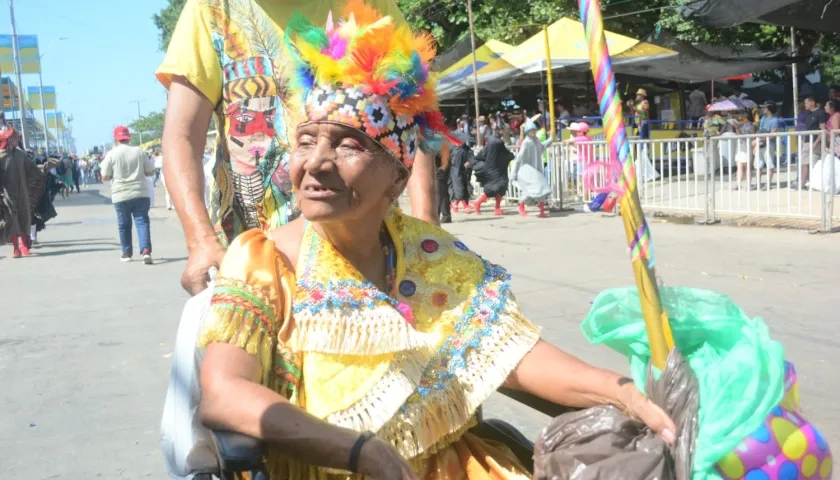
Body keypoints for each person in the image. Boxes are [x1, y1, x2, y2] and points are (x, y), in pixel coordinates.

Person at [196, 7, 675, 480]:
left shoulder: (434, 255)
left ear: (397, 178)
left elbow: (511, 356)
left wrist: (623, 391)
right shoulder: (263, 259)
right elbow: (224, 392)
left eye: (348, 146)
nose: (317, 163)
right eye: (306, 142)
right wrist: (361, 452)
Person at [156, 0, 438, 297]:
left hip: (365, 256)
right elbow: (181, 135)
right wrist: (201, 241)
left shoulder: (368, 5)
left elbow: (413, 113)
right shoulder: (212, 9)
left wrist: (426, 223)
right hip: (254, 264)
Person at [100, 126, 156, 264]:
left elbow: (105, 176)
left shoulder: (111, 154)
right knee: (142, 222)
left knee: (124, 225)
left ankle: (127, 253)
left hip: (120, 195)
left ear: (115, 139)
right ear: (128, 137)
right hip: (140, 193)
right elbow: (150, 172)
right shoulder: (139, 152)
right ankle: (145, 251)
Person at [0, 126, 32, 257]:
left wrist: (44, 169)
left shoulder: (21, 155)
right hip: (7, 193)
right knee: (12, 219)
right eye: (13, 139)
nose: (16, 141)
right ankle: (15, 248)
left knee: (25, 218)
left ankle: (24, 246)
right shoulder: (1, 157)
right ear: (7, 140)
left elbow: (31, 170)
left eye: (16, 139)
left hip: (23, 193)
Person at [511, 119, 553, 217]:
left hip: (537, 169)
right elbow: (519, 158)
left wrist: (551, 138)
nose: (533, 132)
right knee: (530, 190)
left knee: (542, 188)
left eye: (534, 130)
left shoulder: (536, 140)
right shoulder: (526, 143)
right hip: (527, 170)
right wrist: (514, 172)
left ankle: (542, 211)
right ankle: (521, 207)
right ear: (527, 132)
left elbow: (542, 147)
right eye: (531, 131)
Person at [470, 125, 515, 215]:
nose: (505, 131)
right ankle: (477, 203)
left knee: (500, 188)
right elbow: (506, 154)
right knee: (495, 188)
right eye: (503, 130)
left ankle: (497, 208)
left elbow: (483, 152)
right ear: (499, 131)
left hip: (493, 168)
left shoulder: (491, 140)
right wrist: (511, 156)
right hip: (495, 170)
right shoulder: (498, 142)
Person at [790, 96, 827, 190]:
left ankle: (815, 184)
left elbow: (823, 129)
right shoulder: (808, 114)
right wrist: (803, 140)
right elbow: (807, 128)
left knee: (814, 164)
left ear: (812, 102)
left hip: (815, 142)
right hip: (806, 141)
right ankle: (802, 183)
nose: (805, 105)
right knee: (804, 163)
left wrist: (816, 143)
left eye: (806, 103)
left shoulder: (820, 113)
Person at [752, 102, 781, 189]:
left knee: (769, 163)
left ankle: (768, 184)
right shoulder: (763, 118)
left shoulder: (774, 120)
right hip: (760, 143)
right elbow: (759, 132)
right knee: (758, 164)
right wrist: (756, 144)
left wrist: (760, 139)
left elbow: (772, 134)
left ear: (769, 109)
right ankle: (758, 183)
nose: (763, 109)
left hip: (769, 144)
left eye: (764, 108)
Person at [448, 138, 474, 213]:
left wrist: (469, 162)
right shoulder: (453, 148)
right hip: (454, 172)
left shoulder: (467, 149)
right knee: (459, 188)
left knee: (464, 188)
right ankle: (465, 206)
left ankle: (455, 204)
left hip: (465, 172)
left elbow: (472, 158)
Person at [434, 140, 452, 224]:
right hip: (439, 170)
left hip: (441, 171)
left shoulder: (441, 143)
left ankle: (446, 215)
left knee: (441, 194)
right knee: (438, 194)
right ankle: (437, 214)